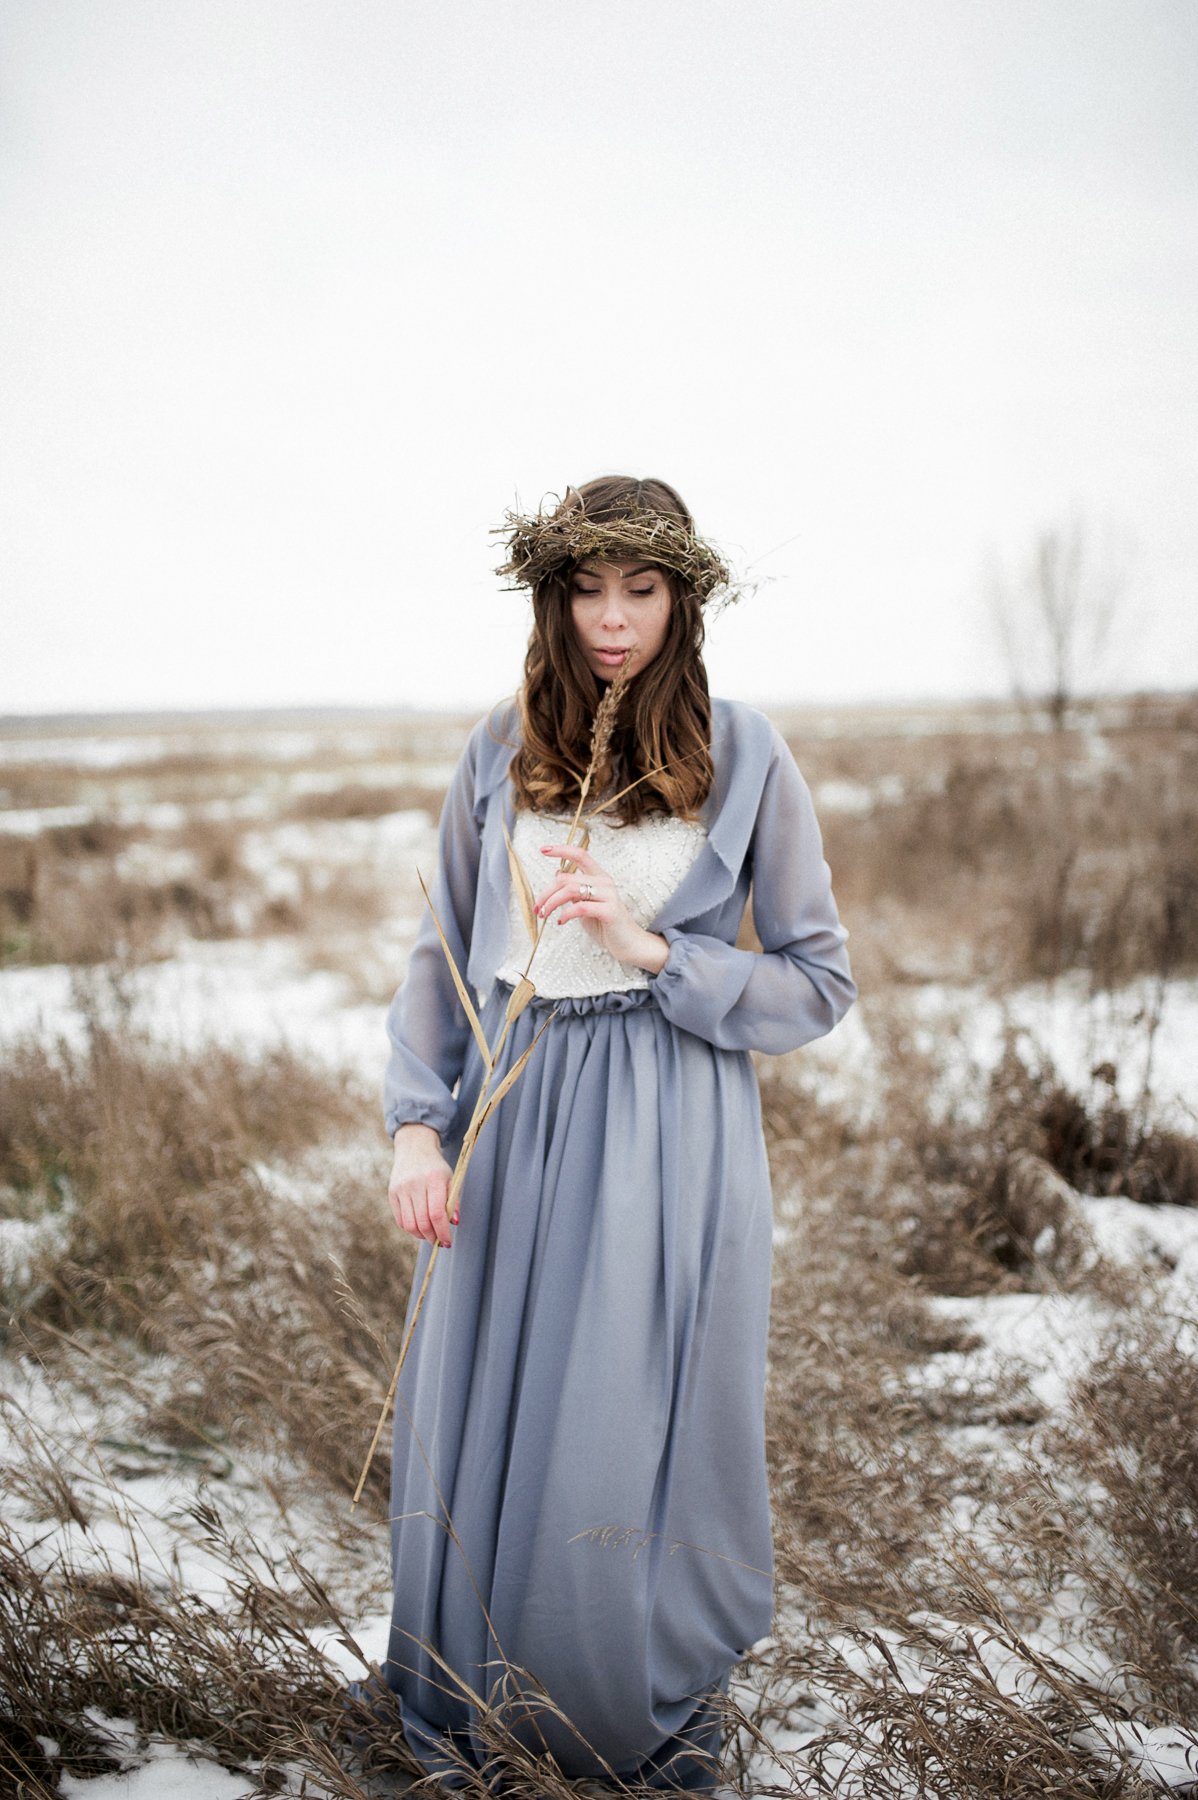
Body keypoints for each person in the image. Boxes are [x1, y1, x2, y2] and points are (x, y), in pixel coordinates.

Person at [378, 476, 855, 1793]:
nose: (610, 617)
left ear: (681, 601)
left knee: (619, 1410)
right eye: (585, 588)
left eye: (639, 590)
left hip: (670, 1125)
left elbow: (817, 982)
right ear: (551, 597)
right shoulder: (498, 746)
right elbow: (440, 953)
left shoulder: (745, 750)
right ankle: (470, 1690)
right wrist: (418, 1131)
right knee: (479, 1401)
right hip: (514, 1112)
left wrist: (661, 952)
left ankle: (599, 1698)